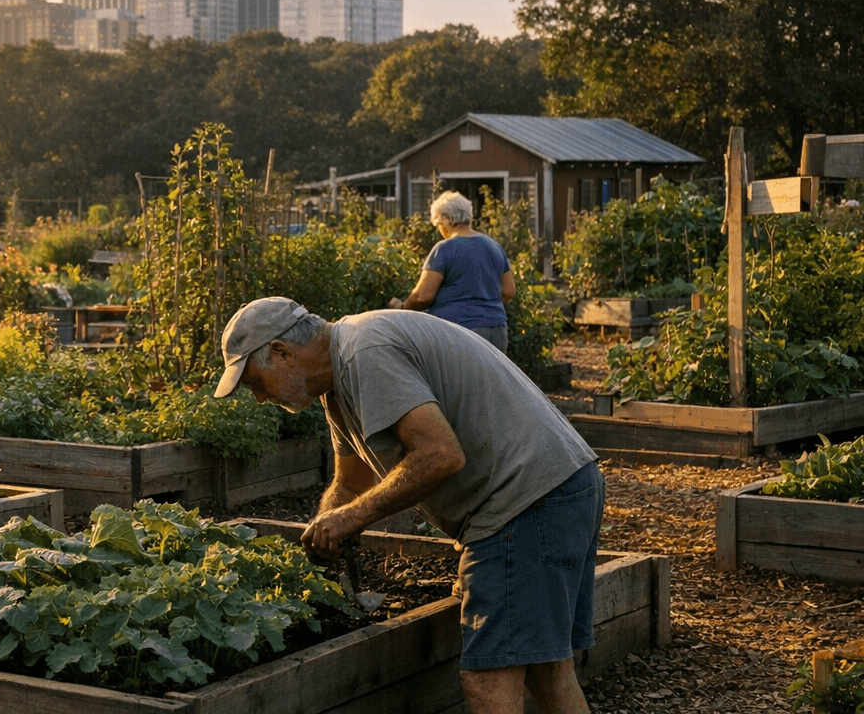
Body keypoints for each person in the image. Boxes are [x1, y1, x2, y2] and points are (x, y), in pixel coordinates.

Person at [215, 297, 602, 714]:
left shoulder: (366, 353)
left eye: (255, 382)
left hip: (525, 502)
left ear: (282, 352)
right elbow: (349, 484)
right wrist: (325, 527)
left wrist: (354, 516)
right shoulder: (338, 383)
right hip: (561, 484)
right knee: (547, 671)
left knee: (489, 677)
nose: (257, 398)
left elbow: (441, 455)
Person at [390, 190, 515, 354]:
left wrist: (403, 308)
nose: (439, 230)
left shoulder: (445, 248)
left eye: (438, 224)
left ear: (445, 219)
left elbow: (422, 296)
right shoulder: (494, 247)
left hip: (461, 332)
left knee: (457, 380)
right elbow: (509, 292)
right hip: (497, 331)